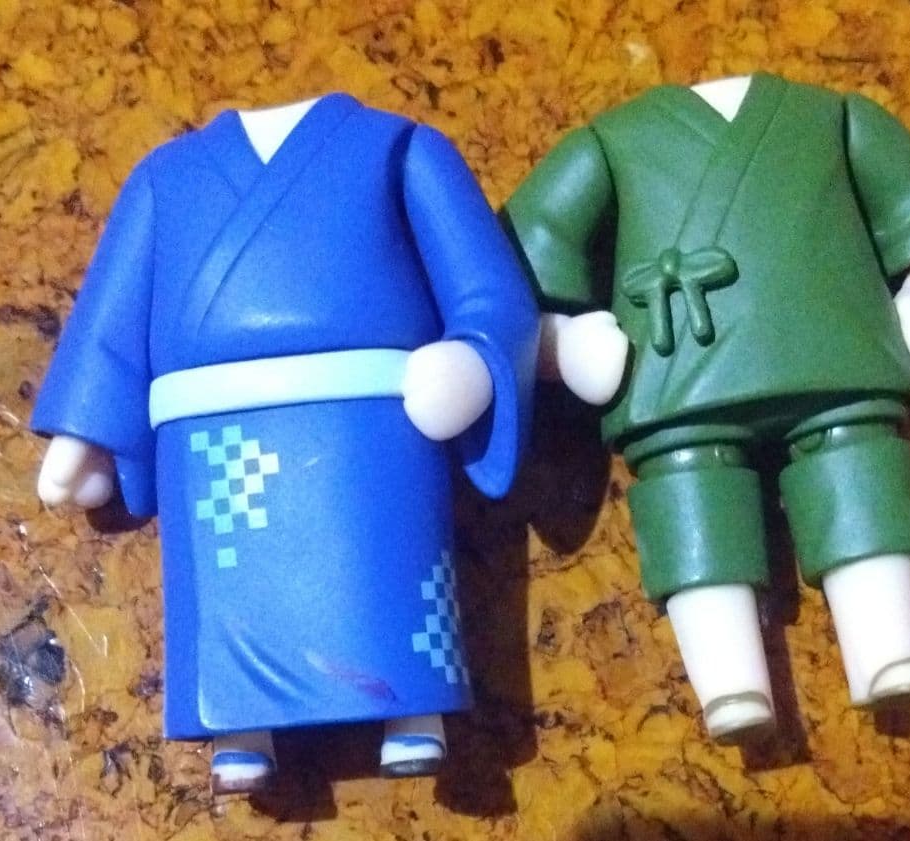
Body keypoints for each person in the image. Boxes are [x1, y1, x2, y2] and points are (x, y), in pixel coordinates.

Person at [33, 93, 538, 792]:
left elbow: (488, 285)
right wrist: (84, 426)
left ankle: (412, 711)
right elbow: (110, 318)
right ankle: (240, 727)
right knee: (229, 592)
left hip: (370, 423)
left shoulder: (399, 149)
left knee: (382, 567)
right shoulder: (166, 177)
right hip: (212, 435)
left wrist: (476, 359)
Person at [503, 73, 910, 739]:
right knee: (689, 500)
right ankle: (730, 685)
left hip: (835, 361)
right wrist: (562, 343)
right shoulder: (609, 146)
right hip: (678, 381)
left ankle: (889, 650)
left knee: (858, 473)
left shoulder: (834, 120)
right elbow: (510, 273)